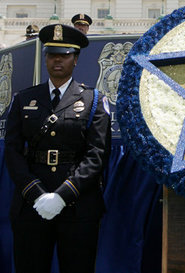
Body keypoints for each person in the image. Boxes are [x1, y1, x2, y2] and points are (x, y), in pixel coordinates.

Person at [4, 24, 111, 273]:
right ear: (45, 59)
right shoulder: (24, 99)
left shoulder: (93, 100)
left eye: (64, 55)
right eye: (52, 54)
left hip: (78, 204)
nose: (57, 60)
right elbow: (13, 151)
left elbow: (97, 154)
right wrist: (36, 194)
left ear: (75, 59)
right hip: (31, 203)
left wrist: (63, 195)